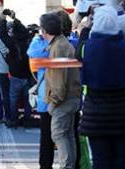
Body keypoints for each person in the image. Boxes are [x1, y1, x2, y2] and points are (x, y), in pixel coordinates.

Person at [79, 6, 125, 169]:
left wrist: (84, 29)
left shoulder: (88, 46)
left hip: (96, 117)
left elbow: (78, 54)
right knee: (123, 162)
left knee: (101, 162)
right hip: (124, 115)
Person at [40, 12, 81, 169]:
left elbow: (58, 80)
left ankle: (66, 166)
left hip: (63, 100)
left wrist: (53, 102)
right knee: (68, 135)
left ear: (45, 30)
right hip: (71, 98)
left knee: (59, 134)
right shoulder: (63, 44)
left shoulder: (58, 48)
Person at [0, 9, 33, 128]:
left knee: (13, 99)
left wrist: (3, 20)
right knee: (27, 99)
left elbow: (3, 35)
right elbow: (23, 29)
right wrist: (15, 19)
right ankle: (27, 119)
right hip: (28, 75)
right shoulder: (30, 42)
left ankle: (14, 120)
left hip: (15, 76)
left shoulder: (13, 43)